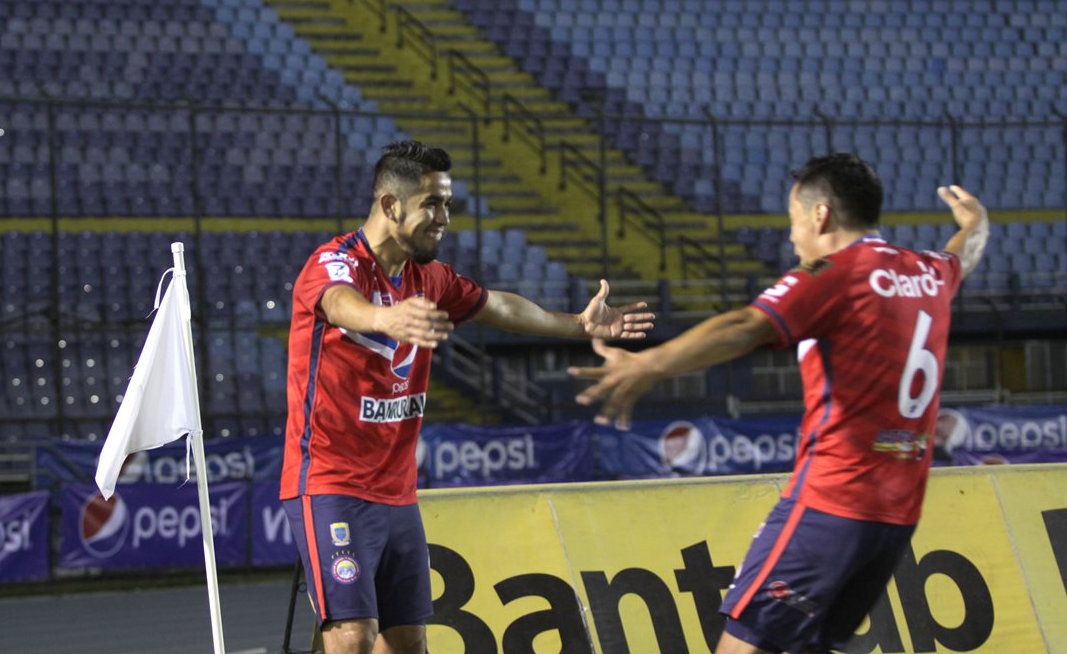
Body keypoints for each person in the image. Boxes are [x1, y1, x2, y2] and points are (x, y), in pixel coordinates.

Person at [571, 153, 989, 654]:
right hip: (895, 515)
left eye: (794, 220)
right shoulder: (928, 272)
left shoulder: (837, 274)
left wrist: (650, 364)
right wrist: (977, 221)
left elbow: (746, 327)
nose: (792, 236)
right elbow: (964, 253)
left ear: (820, 215)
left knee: (744, 646)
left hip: (831, 503)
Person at [278, 140, 655, 654]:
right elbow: (340, 304)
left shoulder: (429, 278)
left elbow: (498, 306)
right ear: (390, 205)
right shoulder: (335, 264)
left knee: (408, 642)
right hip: (330, 483)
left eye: (448, 205)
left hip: (397, 491)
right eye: (432, 204)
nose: (444, 218)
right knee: (351, 636)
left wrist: (577, 324)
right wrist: (385, 317)